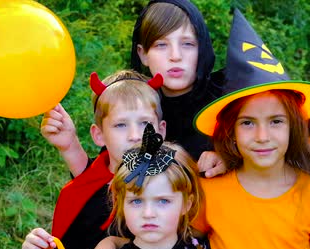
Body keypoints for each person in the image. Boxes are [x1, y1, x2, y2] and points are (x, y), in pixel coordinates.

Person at [84, 9, 310, 249]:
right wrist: (116, 243)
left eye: (276, 122)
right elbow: (169, 236)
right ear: (231, 132)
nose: (262, 136)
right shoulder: (214, 192)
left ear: (294, 127)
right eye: (248, 123)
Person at [20, 69, 167, 249]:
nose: (135, 135)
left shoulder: (169, 189)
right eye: (121, 125)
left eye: (145, 124)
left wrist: (116, 242)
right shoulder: (87, 187)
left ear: (160, 131)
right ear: (99, 135)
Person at [41, 0, 225, 178]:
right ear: (142, 54)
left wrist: (231, 159)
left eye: (187, 44)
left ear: (202, 49)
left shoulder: (227, 102)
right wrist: (70, 146)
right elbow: (106, 183)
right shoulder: (135, 103)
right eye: (161, 45)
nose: (175, 56)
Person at [93, 126, 210, 249]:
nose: (148, 213)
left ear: (187, 204)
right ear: (121, 203)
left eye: (163, 201)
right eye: (136, 202)